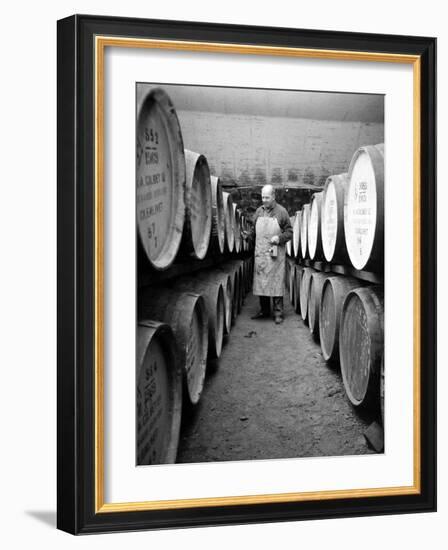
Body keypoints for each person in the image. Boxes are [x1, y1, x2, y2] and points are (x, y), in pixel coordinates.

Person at [242, 184, 292, 324]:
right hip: (261, 253)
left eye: (267, 197)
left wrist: (280, 238)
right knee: (262, 283)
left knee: (276, 282)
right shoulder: (258, 211)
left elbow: (290, 232)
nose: (264, 200)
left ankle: (278, 313)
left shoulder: (282, 212)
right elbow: (254, 231)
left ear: (273, 196)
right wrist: (248, 236)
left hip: (275, 254)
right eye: (262, 197)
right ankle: (264, 310)